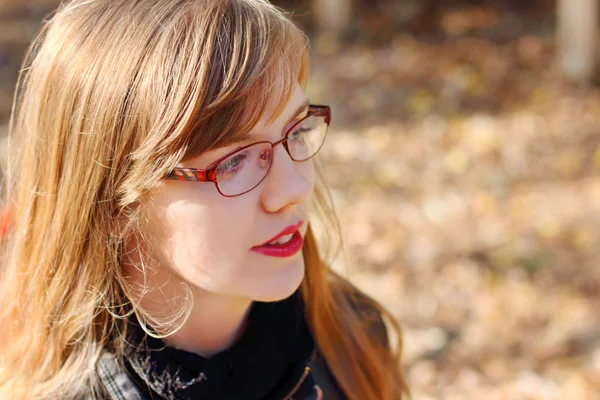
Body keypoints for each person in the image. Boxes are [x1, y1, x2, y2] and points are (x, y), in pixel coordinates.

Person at [0, 0, 408, 399]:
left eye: (296, 132)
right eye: (234, 160)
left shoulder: (352, 338)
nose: (293, 189)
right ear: (110, 204)